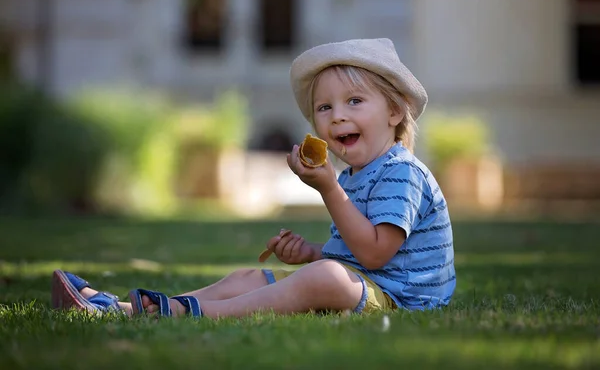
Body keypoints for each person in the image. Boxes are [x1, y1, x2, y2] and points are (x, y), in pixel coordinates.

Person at [52, 38, 456, 318]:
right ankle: (132, 308)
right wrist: (314, 251)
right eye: (324, 107)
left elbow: (375, 256)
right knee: (249, 276)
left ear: (395, 111)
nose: (337, 115)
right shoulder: (357, 174)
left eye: (354, 101)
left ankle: (192, 314)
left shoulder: (402, 174)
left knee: (326, 278)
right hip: (368, 283)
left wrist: (328, 189)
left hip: (403, 301)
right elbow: (359, 251)